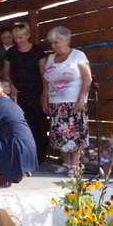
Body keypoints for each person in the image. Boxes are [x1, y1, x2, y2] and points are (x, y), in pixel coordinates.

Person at [43, 26, 92, 177]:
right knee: (59, 134)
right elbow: (46, 80)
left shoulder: (78, 56)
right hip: (56, 102)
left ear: (66, 40)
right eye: (52, 43)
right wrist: (45, 98)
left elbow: (87, 78)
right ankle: (66, 164)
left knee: (74, 133)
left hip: (74, 102)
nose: (54, 46)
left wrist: (82, 99)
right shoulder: (51, 58)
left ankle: (75, 166)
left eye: (56, 42)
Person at [3, 23, 48, 163]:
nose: (18, 40)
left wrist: (44, 93)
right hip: (18, 94)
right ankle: (23, 155)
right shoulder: (11, 52)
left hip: (36, 93)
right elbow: (6, 73)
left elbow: (43, 73)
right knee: (21, 124)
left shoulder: (38, 51)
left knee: (38, 124)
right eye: (15, 37)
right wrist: (12, 87)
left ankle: (40, 156)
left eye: (21, 37)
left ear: (28, 35)